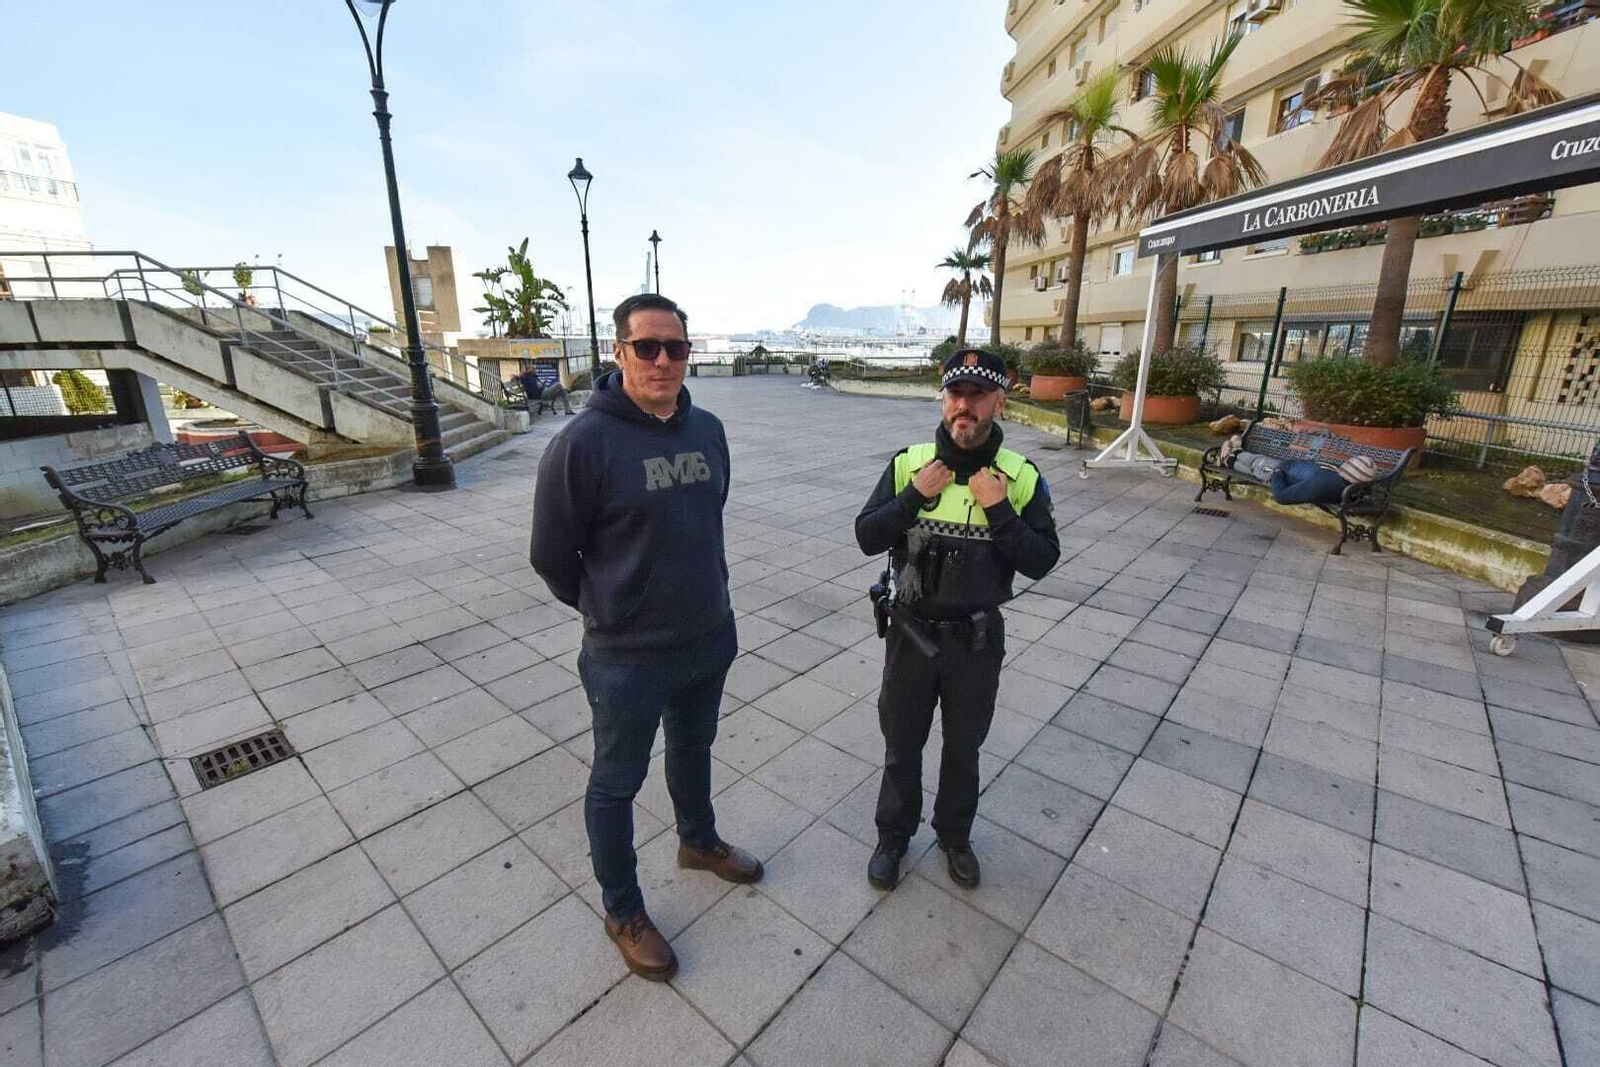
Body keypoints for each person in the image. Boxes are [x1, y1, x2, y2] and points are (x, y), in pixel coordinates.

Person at [530, 292, 759, 981]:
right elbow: (551, 555)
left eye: (677, 347)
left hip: (707, 634)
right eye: (648, 347)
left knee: (694, 746)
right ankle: (622, 907)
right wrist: (612, 607)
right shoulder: (582, 444)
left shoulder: (709, 429)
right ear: (619, 352)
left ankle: (697, 840)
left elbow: (708, 515)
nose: (663, 360)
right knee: (616, 781)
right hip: (625, 656)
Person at [855, 347, 1061, 890]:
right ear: (943, 398)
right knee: (901, 744)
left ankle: (954, 836)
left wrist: (999, 509)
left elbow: (1042, 561)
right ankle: (893, 837)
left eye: (976, 395)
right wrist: (913, 497)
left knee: (963, 747)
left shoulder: (1018, 476)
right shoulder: (909, 463)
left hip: (976, 640)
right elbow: (866, 536)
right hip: (909, 635)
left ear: (999, 401)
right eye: (955, 394)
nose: (963, 406)